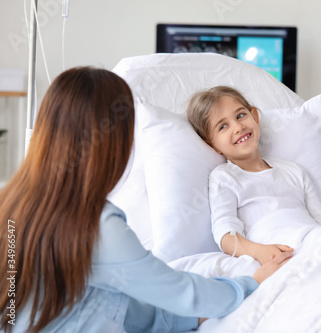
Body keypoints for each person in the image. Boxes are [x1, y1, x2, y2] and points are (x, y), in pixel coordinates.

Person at [0, 67, 291, 333]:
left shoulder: (10, 204)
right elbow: (177, 291)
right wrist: (251, 283)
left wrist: (189, 316)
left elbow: (126, 308)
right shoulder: (97, 225)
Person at [187, 86, 321, 265]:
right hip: (280, 252)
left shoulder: (294, 171)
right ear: (213, 145)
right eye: (223, 126)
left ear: (255, 117)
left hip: (314, 241)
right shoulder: (224, 177)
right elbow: (225, 233)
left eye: (240, 115)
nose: (238, 127)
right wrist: (259, 251)